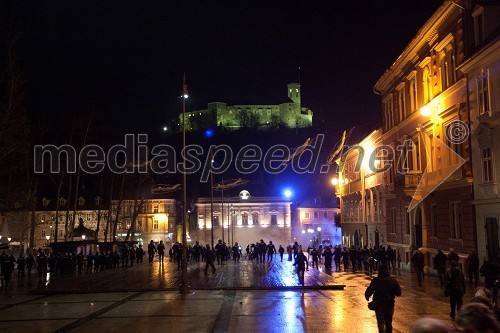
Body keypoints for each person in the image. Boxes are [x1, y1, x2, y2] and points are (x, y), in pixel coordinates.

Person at [365, 264, 402, 333]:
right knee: (388, 323)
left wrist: (367, 296)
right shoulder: (393, 280)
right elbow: (398, 293)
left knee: (381, 323)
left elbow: (370, 290)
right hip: (389, 304)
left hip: (378, 305)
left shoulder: (376, 280)